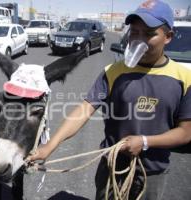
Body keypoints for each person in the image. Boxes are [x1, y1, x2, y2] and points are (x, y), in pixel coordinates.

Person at [26, 0, 191, 199]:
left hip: (153, 172)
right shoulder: (114, 72)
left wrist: (145, 141)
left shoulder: (184, 79)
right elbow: (83, 111)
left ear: (168, 37)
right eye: (135, 32)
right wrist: (49, 147)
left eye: (149, 34)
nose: (139, 40)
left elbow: (185, 133)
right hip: (112, 166)